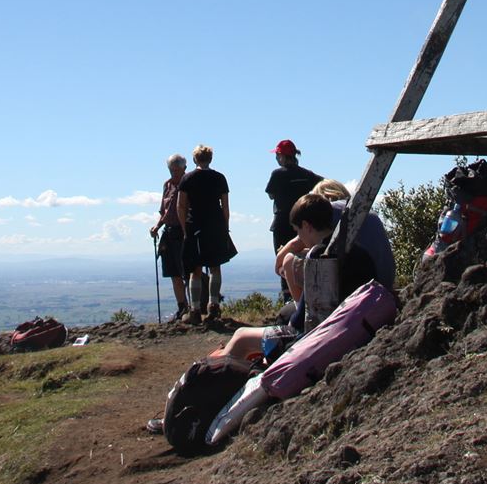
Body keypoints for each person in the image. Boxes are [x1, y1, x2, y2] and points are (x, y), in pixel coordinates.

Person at [213, 188, 393, 363]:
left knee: (241, 336)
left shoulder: (319, 258)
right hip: (351, 329)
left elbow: (300, 320)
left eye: (298, 231)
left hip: (311, 341)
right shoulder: (358, 252)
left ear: (307, 226)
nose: (300, 238)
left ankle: (217, 375)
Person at [177, 144, 237, 324]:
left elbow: (181, 206)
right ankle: (214, 306)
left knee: (194, 269)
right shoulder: (219, 178)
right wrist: (225, 227)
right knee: (215, 266)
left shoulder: (187, 178)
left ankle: (195, 310)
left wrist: (183, 228)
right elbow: (225, 206)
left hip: (194, 225)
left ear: (195, 159)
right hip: (216, 226)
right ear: (210, 159)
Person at [265, 140, 323, 302]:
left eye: (277, 155)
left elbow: (271, 194)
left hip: (282, 223)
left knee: (284, 260)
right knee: (305, 258)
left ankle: (288, 299)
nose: (276, 158)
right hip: (305, 225)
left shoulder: (278, 174)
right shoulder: (306, 174)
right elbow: (323, 184)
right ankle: (306, 297)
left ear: (282, 156)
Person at [150, 154, 190, 321]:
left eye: (176, 170)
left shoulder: (189, 184)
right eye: (171, 170)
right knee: (173, 272)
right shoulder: (167, 185)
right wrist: (157, 226)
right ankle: (182, 307)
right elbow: (164, 212)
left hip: (184, 232)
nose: (173, 173)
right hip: (169, 231)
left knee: (186, 272)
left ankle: (194, 307)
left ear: (184, 169)